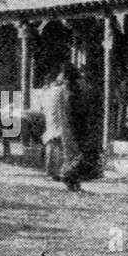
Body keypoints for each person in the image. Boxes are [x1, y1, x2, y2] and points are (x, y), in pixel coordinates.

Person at [51, 63, 86, 191]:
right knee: (75, 154)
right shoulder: (71, 90)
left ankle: (72, 180)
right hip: (72, 124)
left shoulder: (63, 89)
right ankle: (70, 179)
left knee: (70, 154)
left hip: (67, 124)